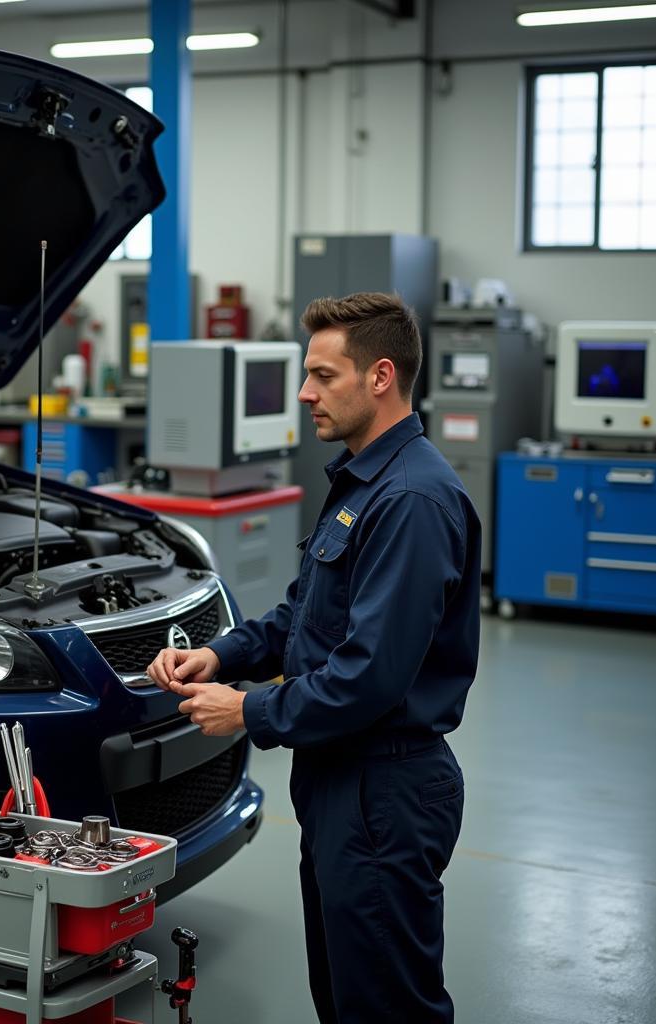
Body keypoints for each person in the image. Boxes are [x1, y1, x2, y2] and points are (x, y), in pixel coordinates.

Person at [146, 291, 481, 1023]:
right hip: (339, 780)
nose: (305, 394)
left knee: (385, 1007)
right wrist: (220, 656)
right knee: (342, 993)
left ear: (381, 376)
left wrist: (248, 709)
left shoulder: (412, 501)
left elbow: (370, 676)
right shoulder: (361, 482)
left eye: (325, 376)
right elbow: (302, 617)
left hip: (382, 788)